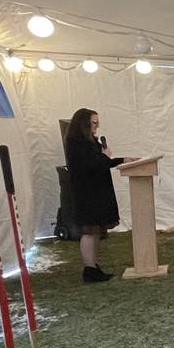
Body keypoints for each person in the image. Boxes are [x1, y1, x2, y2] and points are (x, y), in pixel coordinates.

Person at [63, 107, 132, 282]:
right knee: (88, 231)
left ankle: (93, 266)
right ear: (84, 123)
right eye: (94, 123)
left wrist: (121, 160)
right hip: (86, 193)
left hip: (96, 192)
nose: (97, 126)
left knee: (94, 232)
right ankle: (89, 269)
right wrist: (106, 156)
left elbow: (101, 162)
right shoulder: (75, 143)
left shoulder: (90, 141)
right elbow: (90, 165)